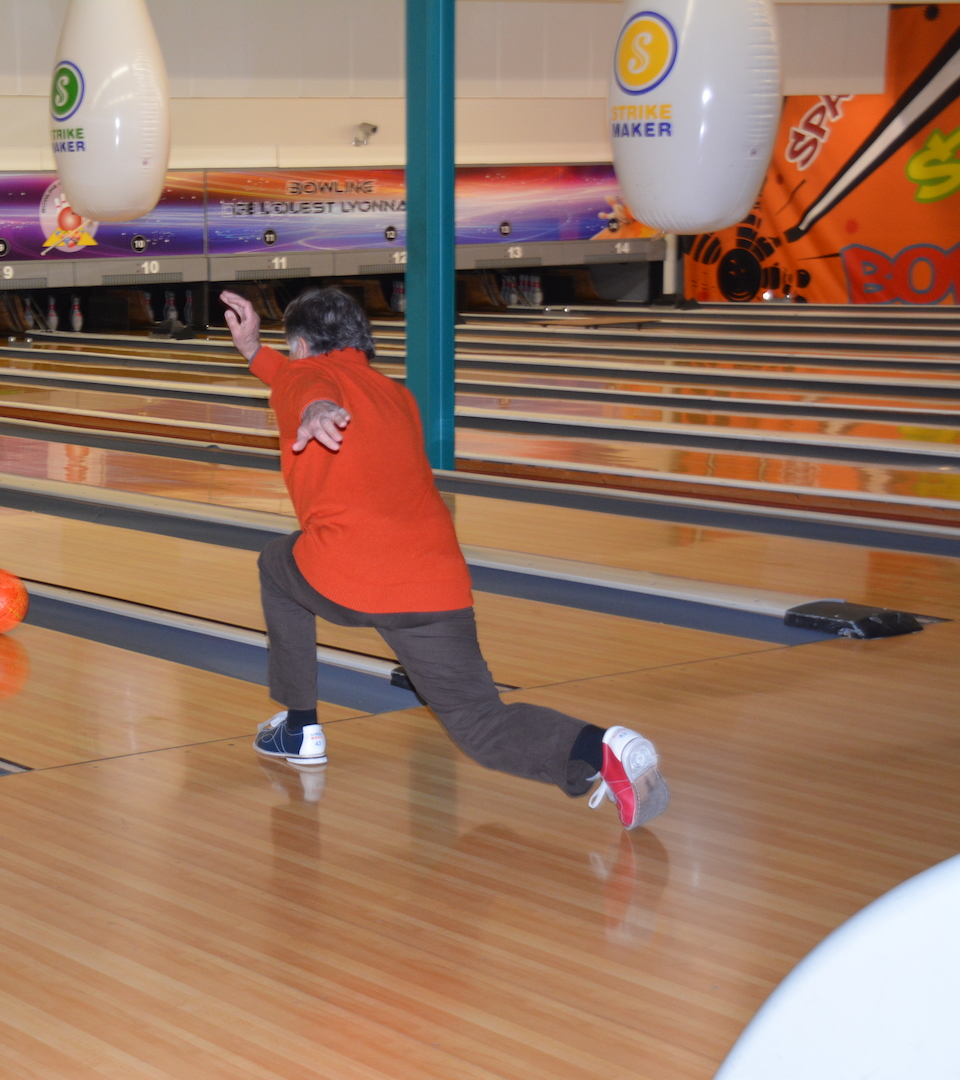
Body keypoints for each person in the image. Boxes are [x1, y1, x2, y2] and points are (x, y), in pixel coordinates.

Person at [222, 286, 669, 829]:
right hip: (437, 583)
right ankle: (604, 748)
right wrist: (252, 350)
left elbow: (307, 386)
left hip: (351, 572)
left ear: (297, 345)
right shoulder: (397, 395)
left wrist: (314, 406)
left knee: (275, 563)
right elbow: (304, 378)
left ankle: (299, 726)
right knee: (480, 726)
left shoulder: (304, 379)